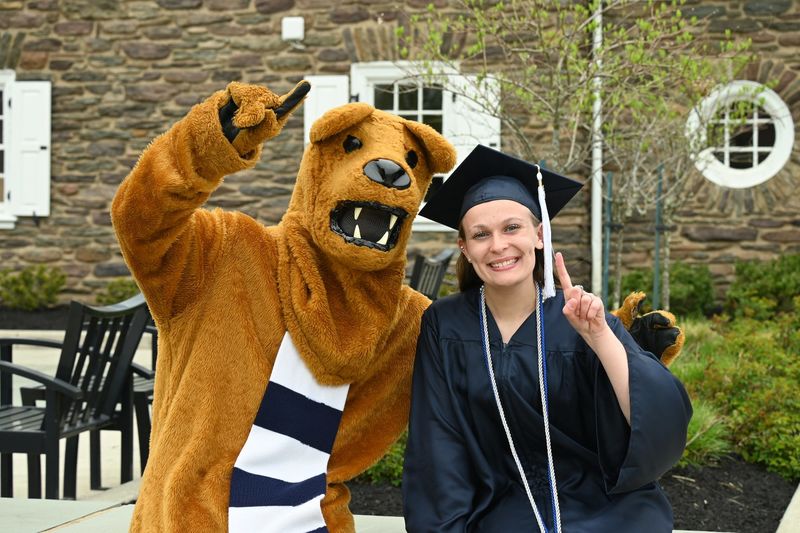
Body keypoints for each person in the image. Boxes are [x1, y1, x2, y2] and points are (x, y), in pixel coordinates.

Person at [402, 145, 693, 532]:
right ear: (465, 249)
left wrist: (601, 337)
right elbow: (437, 441)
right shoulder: (445, 324)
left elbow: (657, 423)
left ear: (539, 236)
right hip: (502, 504)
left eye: (511, 228)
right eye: (481, 235)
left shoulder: (580, 316)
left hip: (604, 505)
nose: (498, 246)